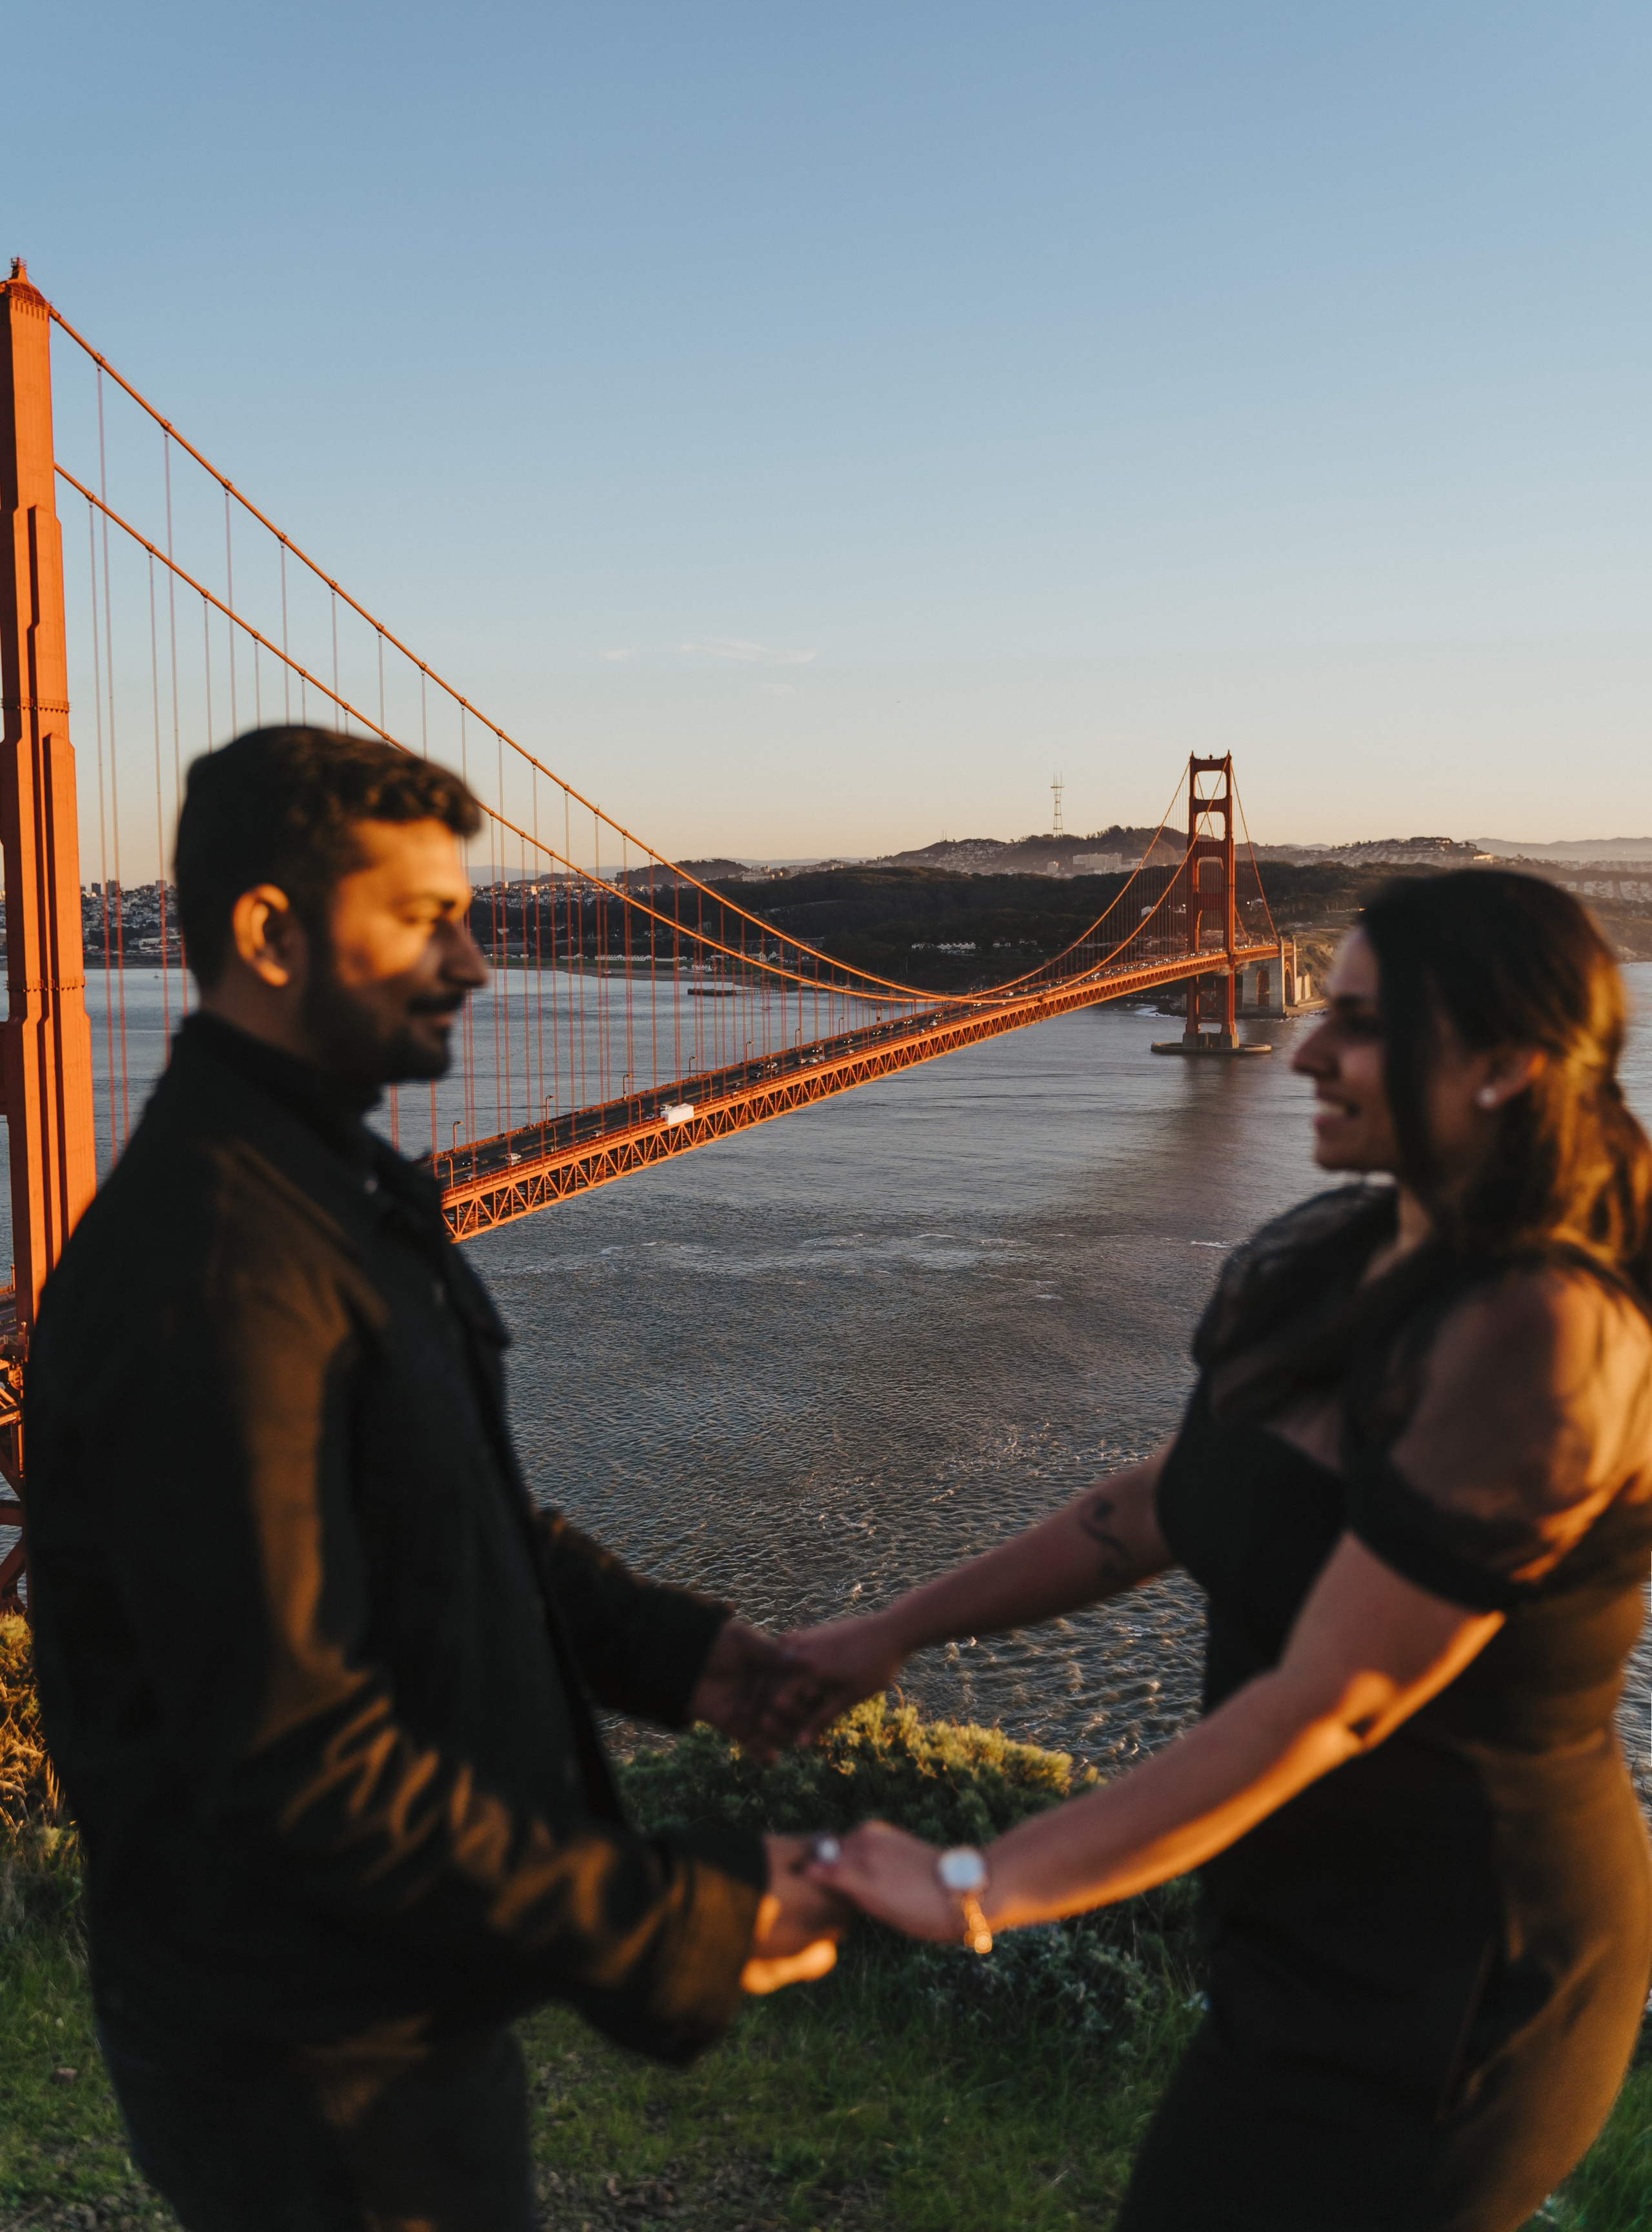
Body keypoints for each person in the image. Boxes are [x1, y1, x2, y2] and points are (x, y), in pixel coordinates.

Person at [26, 725, 841, 2232]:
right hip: (313, 2060)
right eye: (426, 919)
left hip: (370, 2011)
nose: (474, 962)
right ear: (269, 933)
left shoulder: (308, 1188)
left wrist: (677, 1655)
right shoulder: (219, 1270)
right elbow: (299, 1762)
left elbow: (435, 1511)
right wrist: (677, 1926)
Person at [784, 870, 1652, 2232]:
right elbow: (1152, 1509)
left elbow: (1334, 1700)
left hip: (1455, 1978)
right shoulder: (1341, 1256)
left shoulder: (1540, 1334)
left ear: (1501, 1067)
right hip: (1296, 1931)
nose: (1299, 1045)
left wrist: (980, 1883)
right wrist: (886, 1632)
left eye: (1356, 1024)